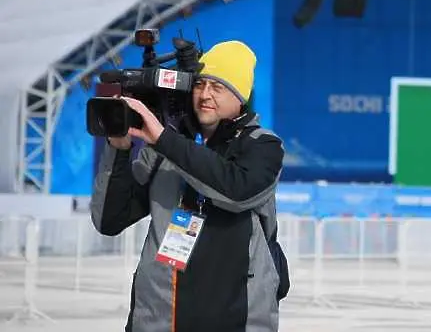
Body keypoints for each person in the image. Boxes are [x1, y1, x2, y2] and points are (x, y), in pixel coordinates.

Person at [90, 40, 287, 332]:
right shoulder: (165, 148)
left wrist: (165, 140)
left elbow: (238, 192)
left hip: (236, 318)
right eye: (200, 85)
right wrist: (118, 148)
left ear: (240, 97)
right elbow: (110, 219)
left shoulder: (262, 145)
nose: (205, 95)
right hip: (157, 319)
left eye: (218, 87)